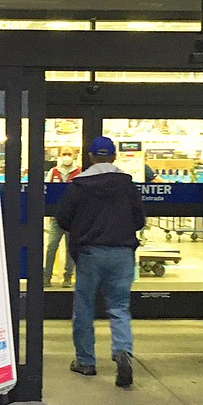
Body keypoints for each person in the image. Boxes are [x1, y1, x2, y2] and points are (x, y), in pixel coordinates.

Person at [57, 136, 146, 387]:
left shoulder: (78, 185)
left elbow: (63, 218)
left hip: (89, 253)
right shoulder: (127, 185)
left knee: (84, 307)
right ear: (114, 157)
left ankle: (85, 361)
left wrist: (81, 229)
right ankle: (122, 352)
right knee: (119, 307)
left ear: (90, 157)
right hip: (122, 253)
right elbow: (139, 219)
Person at [45, 146, 82, 286]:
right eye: (64, 154)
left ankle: (68, 277)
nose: (67, 156)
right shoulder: (53, 172)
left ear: (74, 155)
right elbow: (46, 190)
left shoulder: (80, 172)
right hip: (56, 217)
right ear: (59, 155)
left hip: (73, 218)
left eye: (69, 154)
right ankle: (46, 277)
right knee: (51, 247)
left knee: (70, 248)